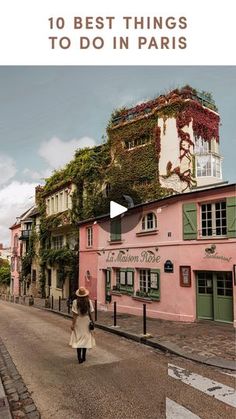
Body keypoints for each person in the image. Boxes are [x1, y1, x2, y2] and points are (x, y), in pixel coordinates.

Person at [69, 287, 95, 363]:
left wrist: (73, 324)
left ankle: (79, 358)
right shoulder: (89, 301)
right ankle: (84, 356)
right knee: (85, 339)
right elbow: (92, 312)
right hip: (86, 321)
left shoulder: (75, 302)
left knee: (78, 339)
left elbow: (74, 315)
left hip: (78, 321)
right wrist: (92, 321)